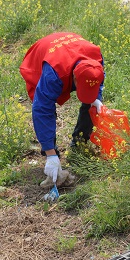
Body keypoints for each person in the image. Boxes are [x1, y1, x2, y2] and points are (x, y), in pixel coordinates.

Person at [19, 32, 104, 183]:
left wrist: (96, 97)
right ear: (74, 78)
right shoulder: (53, 73)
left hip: (72, 52)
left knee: (91, 105)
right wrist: (50, 153)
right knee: (45, 105)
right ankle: (53, 156)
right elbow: (41, 110)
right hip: (44, 56)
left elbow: (97, 82)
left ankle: (79, 144)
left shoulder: (96, 61)